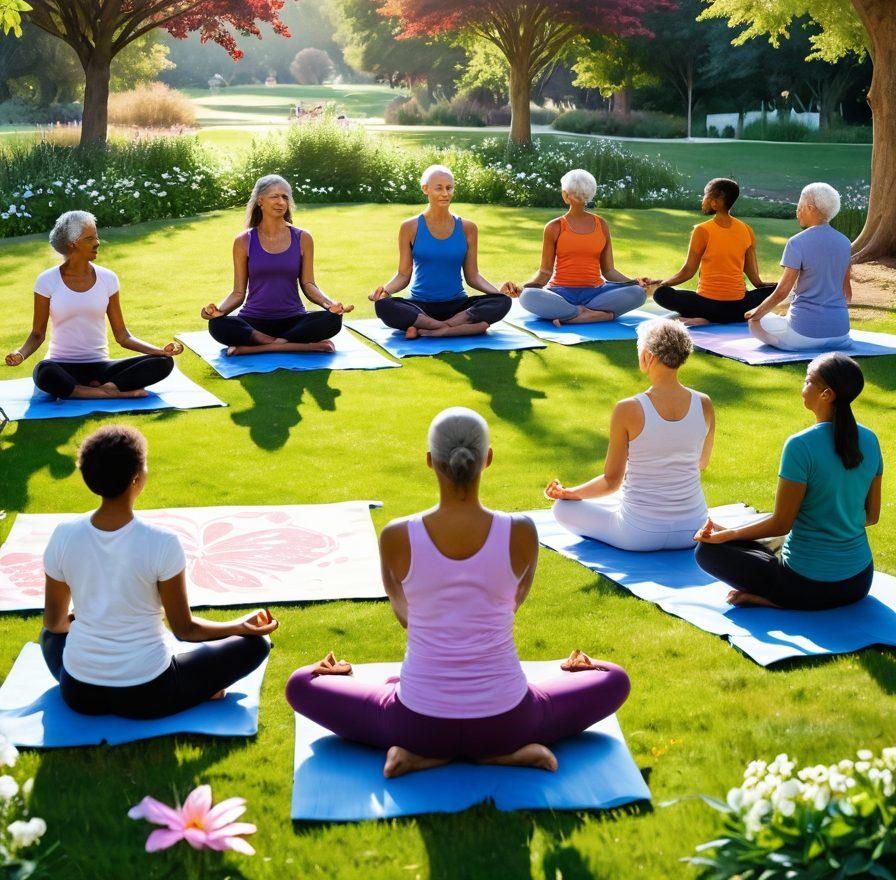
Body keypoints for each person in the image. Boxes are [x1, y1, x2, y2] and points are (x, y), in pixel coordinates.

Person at [286, 408, 630, 777]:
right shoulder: (522, 531)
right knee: (613, 677)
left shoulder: (396, 535)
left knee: (301, 684)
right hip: (510, 721)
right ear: (489, 459)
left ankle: (422, 755)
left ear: (430, 462)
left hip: (416, 723)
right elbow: (511, 605)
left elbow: (407, 618)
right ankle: (499, 753)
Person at [40, 425, 277, 718]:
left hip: (79, 693)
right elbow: (185, 630)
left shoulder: (63, 535)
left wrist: (84, 618)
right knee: (257, 644)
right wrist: (240, 627)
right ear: (137, 479)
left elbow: (54, 623)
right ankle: (203, 690)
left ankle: (195, 687)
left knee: (49, 637)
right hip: (147, 694)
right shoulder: (162, 542)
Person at [694, 353, 882, 610]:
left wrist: (729, 535)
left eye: (807, 381)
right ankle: (779, 590)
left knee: (707, 551)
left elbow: (782, 523)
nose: (803, 387)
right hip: (858, 581)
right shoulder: (870, 440)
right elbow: (872, 516)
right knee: (747, 539)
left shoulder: (800, 446)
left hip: (805, 585)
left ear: (826, 394)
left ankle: (773, 600)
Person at [546, 319, 714, 550]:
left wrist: (569, 493)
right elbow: (701, 463)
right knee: (617, 498)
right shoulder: (704, 403)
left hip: (638, 534)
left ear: (648, 357)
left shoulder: (628, 408)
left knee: (562, 508)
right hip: (693, 530)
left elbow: (611, 481)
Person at [5, 210, 182, 400]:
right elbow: (37, 334)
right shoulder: (47, 281)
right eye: (90, 238)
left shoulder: (108, 278)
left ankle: (96, 390)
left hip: (102, 367)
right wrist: (20, 354)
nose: (97, 243)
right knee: (43, 372)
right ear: (72, 244)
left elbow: (122, 336)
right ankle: (109, 393)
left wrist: (159, 351)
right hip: (62, 366)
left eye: (96, 236)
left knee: (163, 363)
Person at [202, 174, 352, 356]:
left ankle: (257, 347)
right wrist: (217, 311)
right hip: (254, 322)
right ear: (260, 201)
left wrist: (330, 305)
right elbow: (238, 293)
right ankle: (306, 346)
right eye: (275, 196)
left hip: (294, 320)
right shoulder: (244, 241)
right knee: (218, 325)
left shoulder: (303, 237)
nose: (281, 201)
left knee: (332, 320)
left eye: (285, 197)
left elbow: (308, 284)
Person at [369, 166, 513, 339]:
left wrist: (498, 293)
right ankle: (458, 328)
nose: (445, 193)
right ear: (425, 189)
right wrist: (384, 291)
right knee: (383, 306)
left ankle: (433, 329)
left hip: (458, 306)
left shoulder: (468, 228)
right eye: (439, 188)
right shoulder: (410, 227)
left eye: (449, 188)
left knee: (503, 302)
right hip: (420, 306)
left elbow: (473, 276)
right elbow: (403, 274)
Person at [504, 169, 649, 325]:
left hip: (596, 294)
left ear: (565, 195)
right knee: (528, 296)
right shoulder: (556, 227)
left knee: (638, 293)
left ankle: (572, 316)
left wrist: (635, 283)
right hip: (561, 294)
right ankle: (599, 315)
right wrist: (524, 288)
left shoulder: (600, 225)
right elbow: (609, 271)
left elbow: (545, 273)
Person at [650, 178, 775, 325]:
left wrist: (662, 284)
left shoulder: (702, 230)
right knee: (779, 289)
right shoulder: (747, 230)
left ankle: (705, 318)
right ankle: (726, 317)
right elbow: (757, 282)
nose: (703, 200)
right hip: (739, 308)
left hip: (707, 306)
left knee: (661, 294)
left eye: (705, 196)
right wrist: (777, 288)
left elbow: (688, 272)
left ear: (717, 201)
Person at [745, 182, 852, 352]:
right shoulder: (845, 243)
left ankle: (785, 344)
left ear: (810, 208)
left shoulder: (796, 242)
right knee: (778, 318)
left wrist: (756, 312)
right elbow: (847, 294)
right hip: (841, 335)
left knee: (755, 322)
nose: (797, 210)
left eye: (800, 205)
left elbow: (782, 291)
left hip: (804, 336)